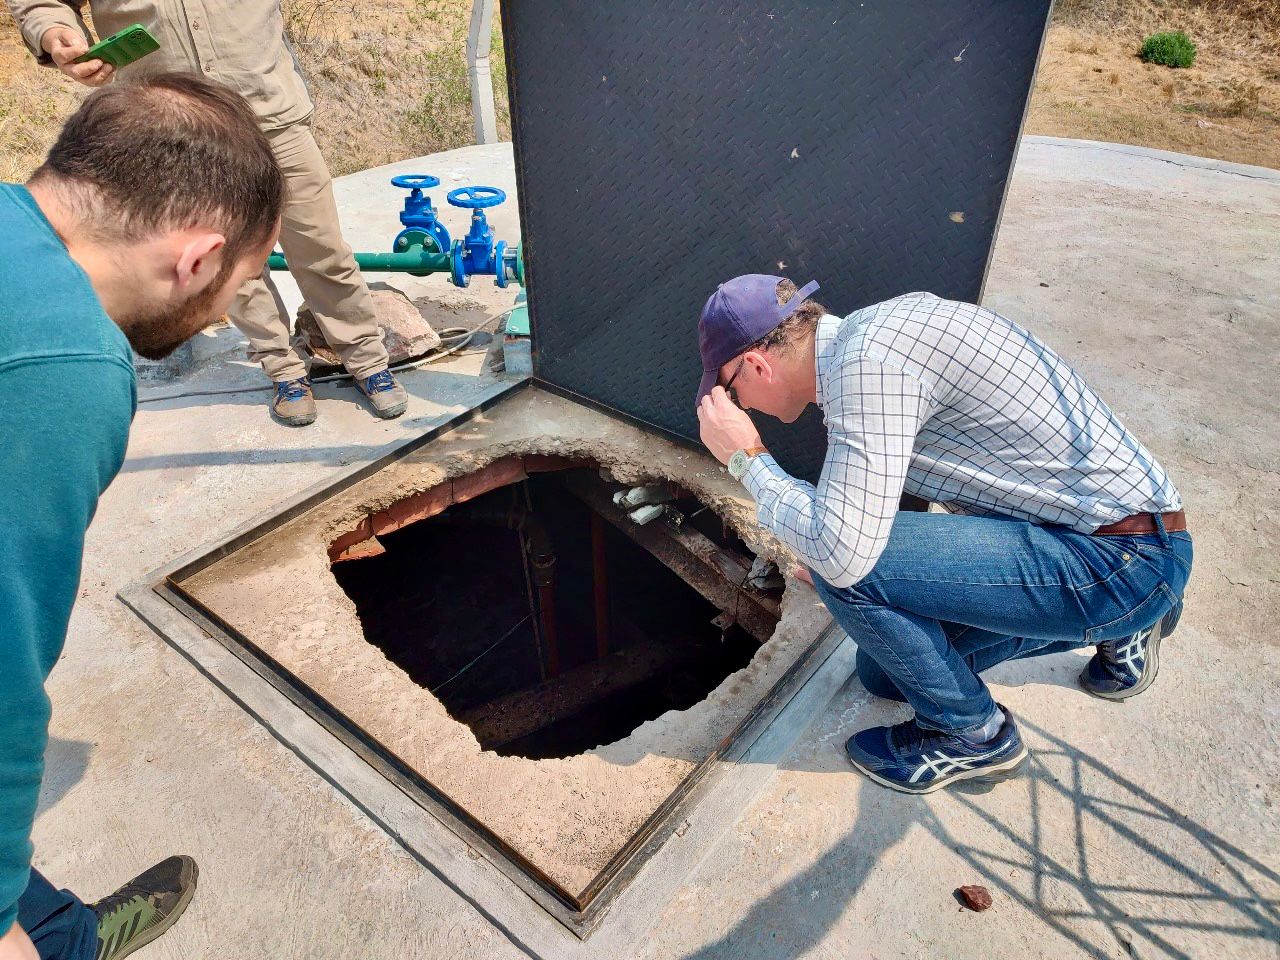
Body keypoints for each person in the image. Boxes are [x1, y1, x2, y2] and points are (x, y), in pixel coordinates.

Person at [694, 276, 1193, 794]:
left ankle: (974, 736)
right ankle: (1129, 623)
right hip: (1107, 540)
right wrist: (847, 551)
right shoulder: (871, 341)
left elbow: (844, 553)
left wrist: (747, 460)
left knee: (845, 566)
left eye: (730, 393)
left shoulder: (869, 364)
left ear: (756, 364)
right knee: (884, 674)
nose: (741, 408)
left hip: (1122, 558)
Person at [0, 73, 285, 959]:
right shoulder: (64, 369)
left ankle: (63, 927)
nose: (227, 311)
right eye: (237, 284)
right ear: (197, 258)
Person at [6, 0, 409, 426]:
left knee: (320, 246)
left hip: (270, 110)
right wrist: (54, 31)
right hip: (174, 133)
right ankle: (284, 370)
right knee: (227, 265)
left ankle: (366, 359)